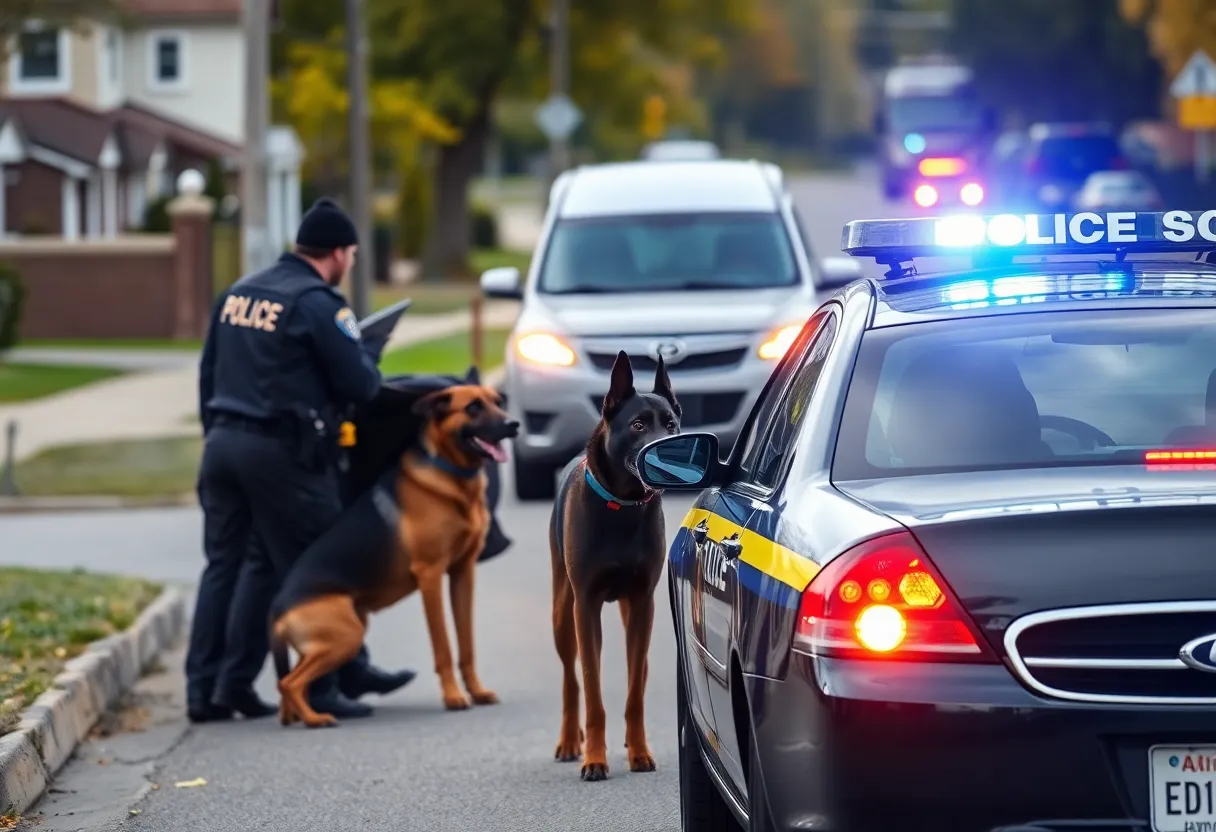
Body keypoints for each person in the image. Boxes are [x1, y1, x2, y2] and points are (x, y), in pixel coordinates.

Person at [185, 198, 415, 724]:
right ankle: (326, 685)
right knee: (318, 564)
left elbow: (208, 375)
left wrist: (215, 435)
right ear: (338, 252)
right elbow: (359, 386)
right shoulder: (319, 304)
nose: (350, 262)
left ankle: (214, 690)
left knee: (231, 566)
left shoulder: (237, 294)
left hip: (222, 445)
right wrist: (366, 353)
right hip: (281, 456)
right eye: (352, 254)